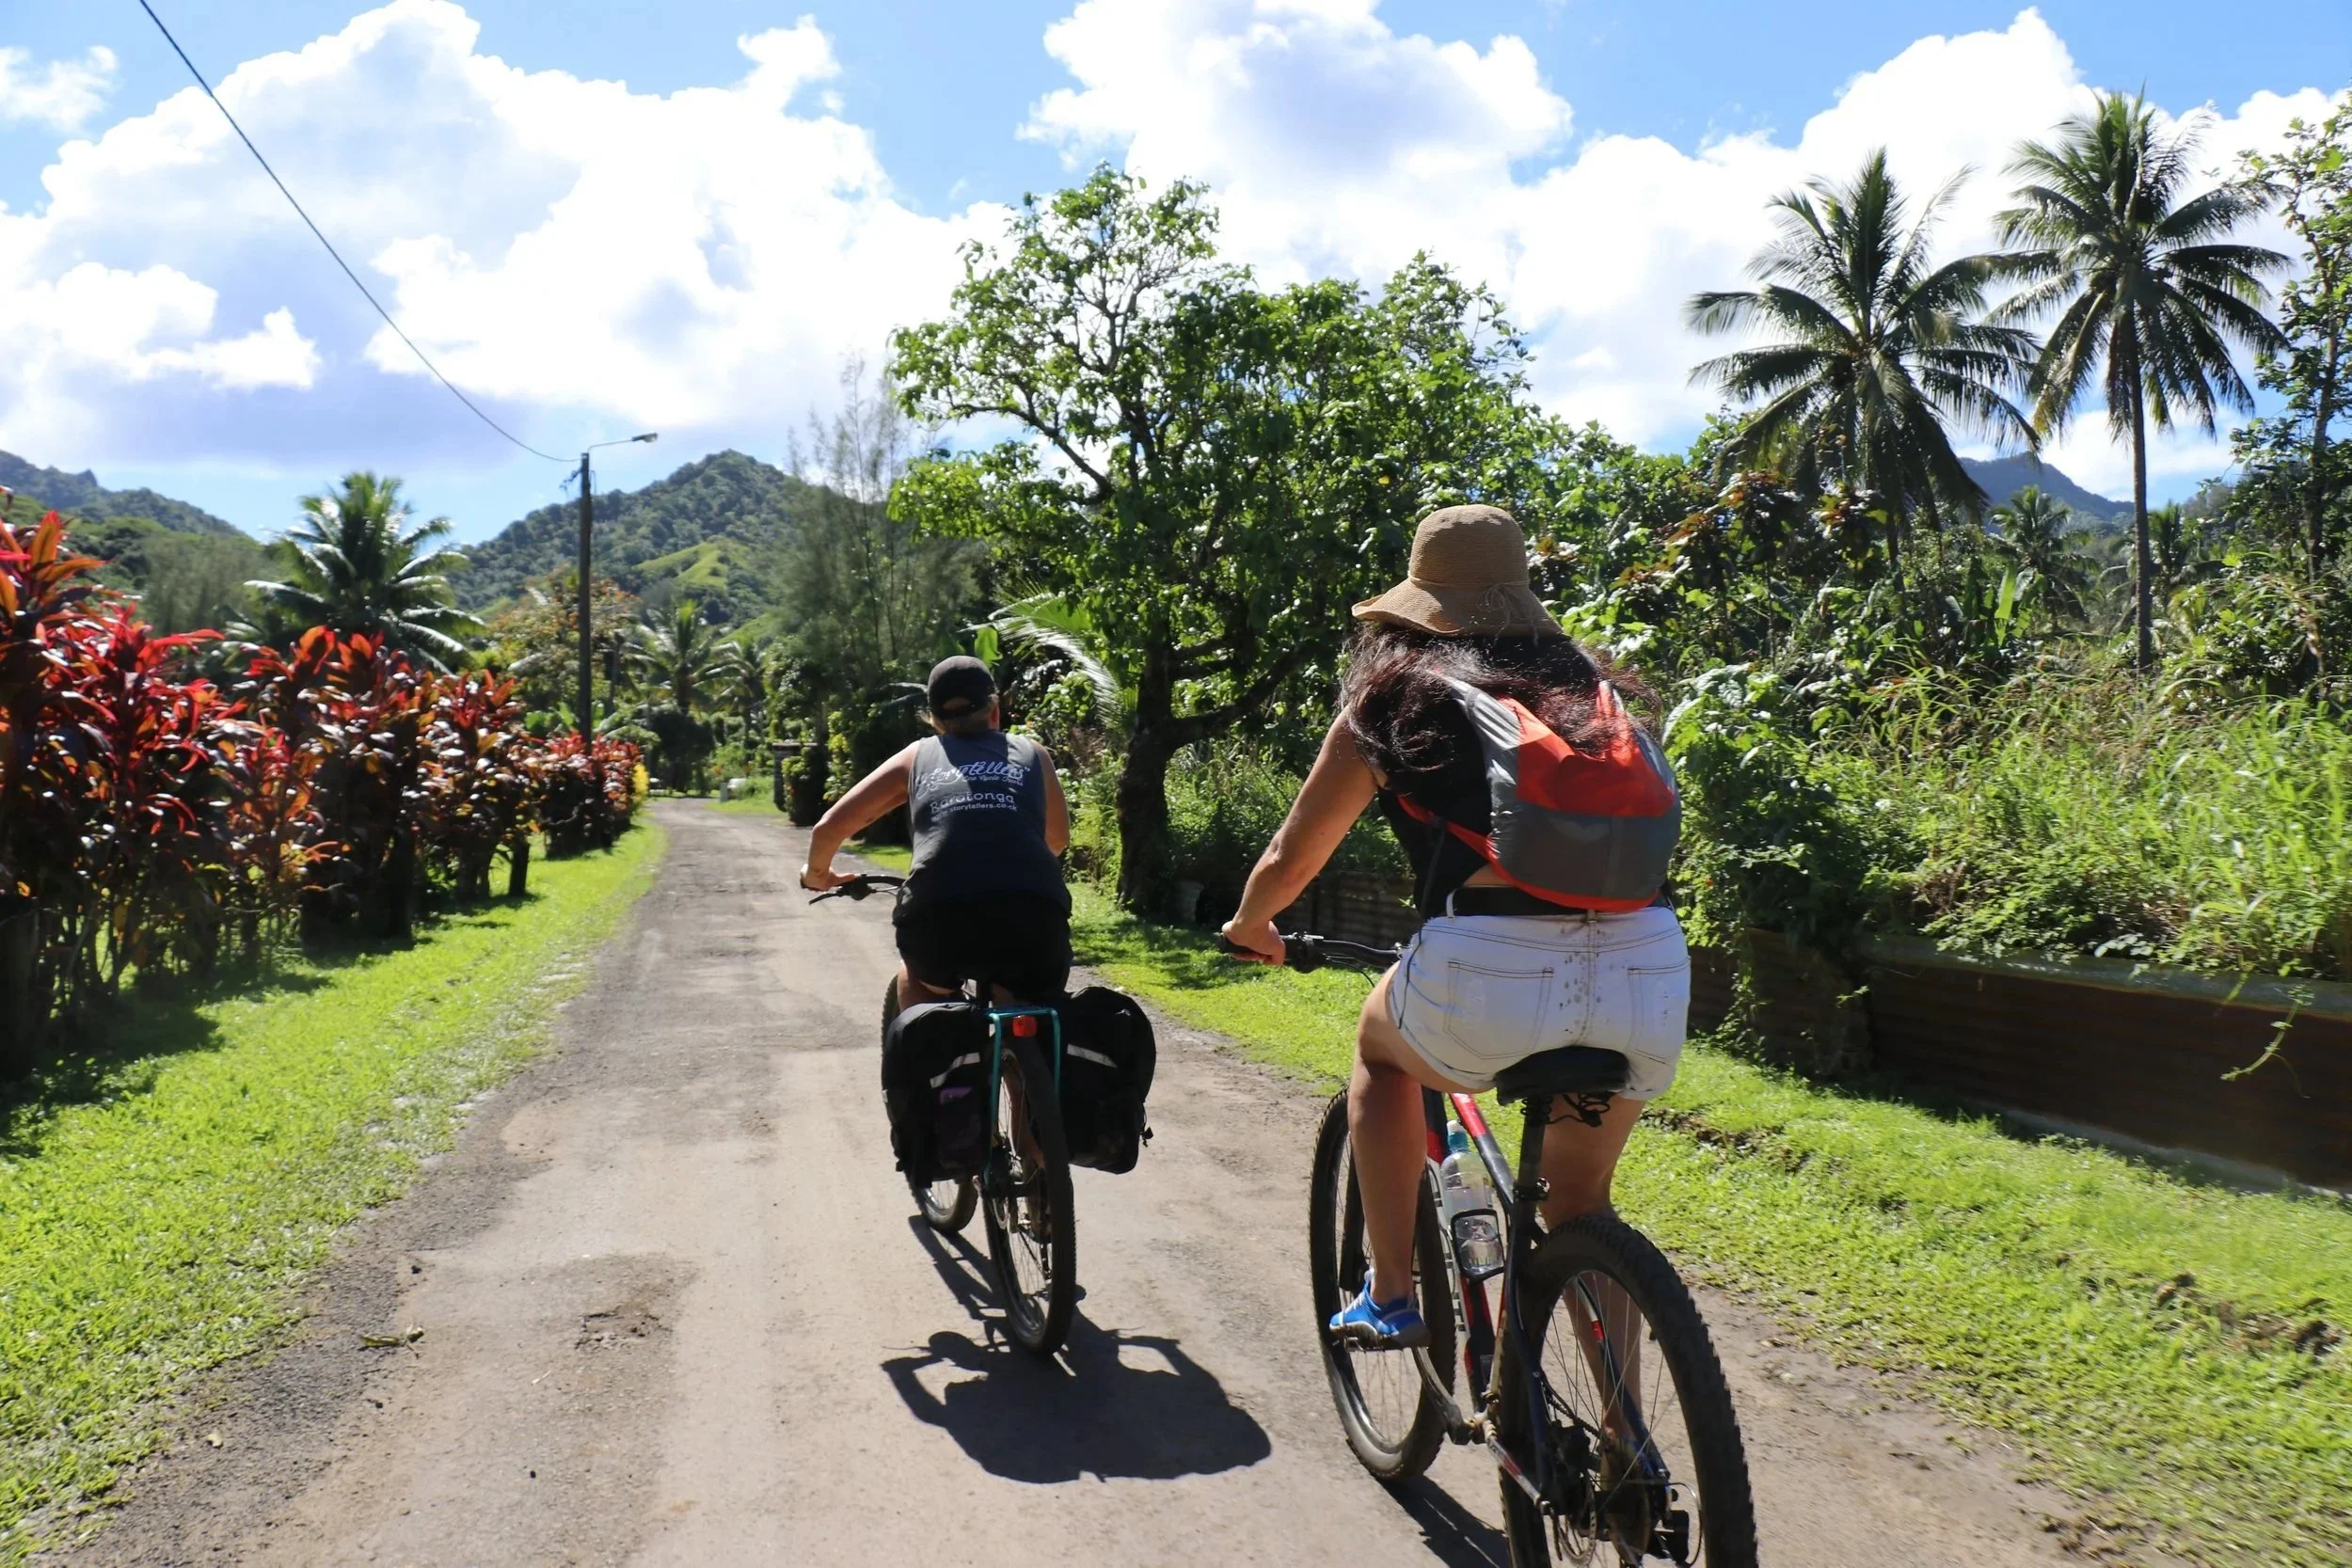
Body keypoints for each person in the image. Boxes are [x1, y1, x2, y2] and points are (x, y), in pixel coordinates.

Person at [1220, 505, 1689, 1348]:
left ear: (1420, 607)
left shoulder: (1395, 698)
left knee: (1379, 1050)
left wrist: (1254, 922)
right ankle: (1628, 1451)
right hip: (1648, 963)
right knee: (1582, 1206)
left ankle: (1391, 1290)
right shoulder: (1597, 696)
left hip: (1488, 966)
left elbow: (1294, 856)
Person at [801, 656, 1073, 1005]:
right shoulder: (1032, 753)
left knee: (917, 979)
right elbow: (1057, 839)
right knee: (1021, 989)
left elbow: (829, 829)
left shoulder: (918, 756)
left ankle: (927, 1052)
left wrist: (818, 874)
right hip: (1035, 916)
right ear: (995, 710)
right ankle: (1023, 1053)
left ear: (934, 720)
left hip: (937, 918)